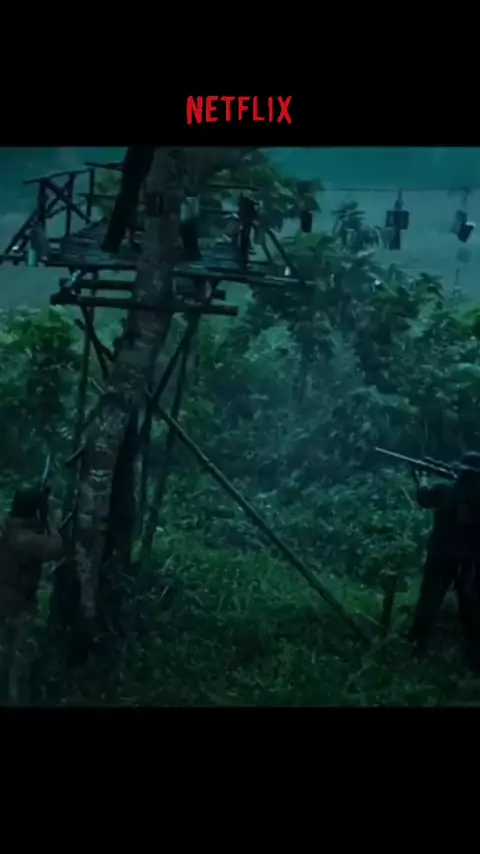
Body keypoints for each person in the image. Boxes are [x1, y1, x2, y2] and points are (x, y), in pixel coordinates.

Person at [409, 452, 480, 670]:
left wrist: (422, 478)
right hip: (466, 560)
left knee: (429, 602)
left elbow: (423, 498)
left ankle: (417, 648)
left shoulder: (444, 491)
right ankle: (473, 660)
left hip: (440, 556)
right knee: (469, 608)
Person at [0, 488, 64, 704]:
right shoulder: (22, 537)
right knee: (18, 669)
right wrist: (51, 522)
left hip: (8, 604)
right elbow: (55, 548)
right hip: (16, 607)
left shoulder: (10, 529)